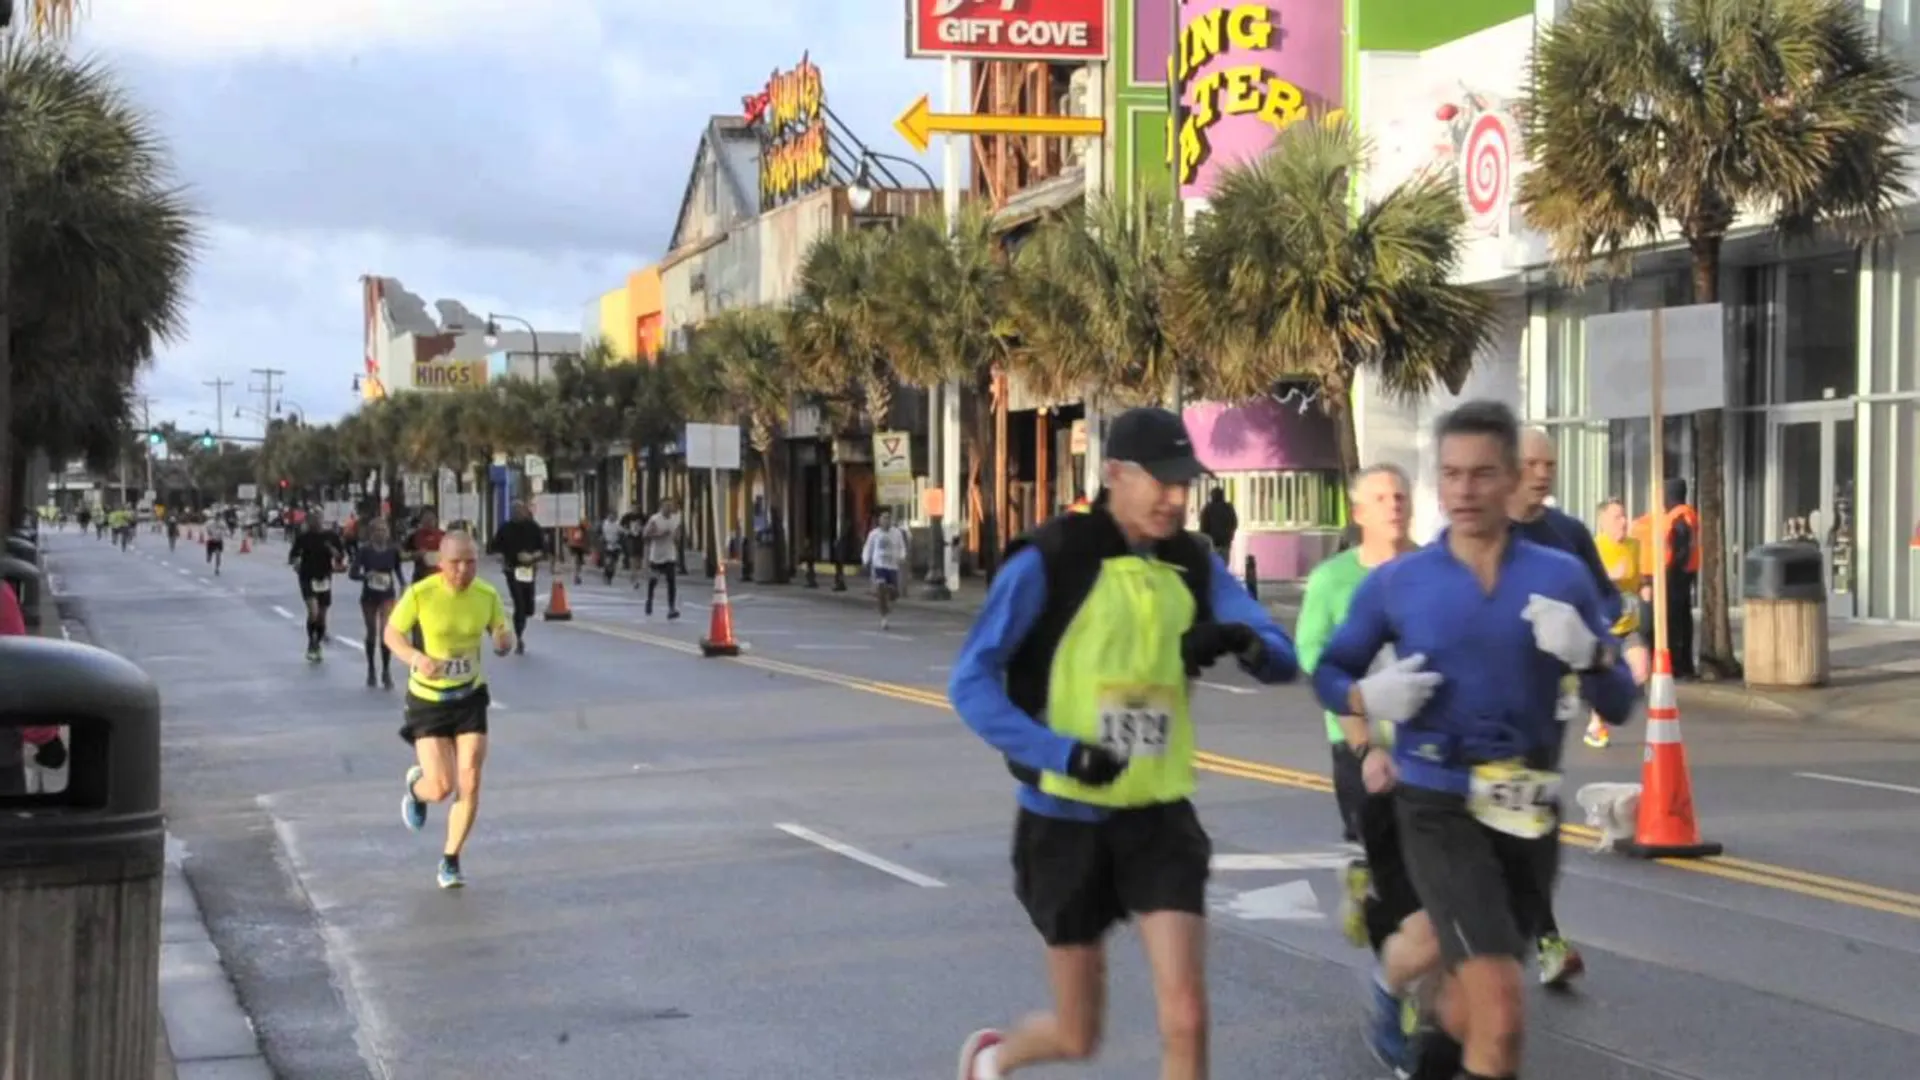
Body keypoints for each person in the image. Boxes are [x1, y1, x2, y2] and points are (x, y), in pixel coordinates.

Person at [949, 406, 1300, 1080]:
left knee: (1187, 1015)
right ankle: (993, 1058)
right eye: (1160, 481)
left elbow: (1281, 655)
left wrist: (1244, 641)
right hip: (1063, 821)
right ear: (1114, 474)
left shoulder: (1192, 562)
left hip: (1158, 816)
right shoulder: (1052, 559)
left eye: (1184, 483)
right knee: (1078, 1034)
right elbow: (971, 683)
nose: (1175, 498)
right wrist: (1061, 753)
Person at [1312, 400, 1637, 1080]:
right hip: (1438, 806)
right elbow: (1329, 671)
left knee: (1462, 1016)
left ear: (1511, 478)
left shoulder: (1559, 576)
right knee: (1502, 1010)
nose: (1464, 490)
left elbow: (1617, 703)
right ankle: (1399, 996)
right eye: (1451, 474)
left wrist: (1592, 654)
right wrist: (1366, 698)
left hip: (1527, 810)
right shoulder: (1402, 582)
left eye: (1482, 473)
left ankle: (1415, 1029)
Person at [1508, 427, 1626, 987]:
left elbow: (1606, 599)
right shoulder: (1484, 532)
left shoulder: (1568, 534)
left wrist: (1593, 636)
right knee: (1505, 827)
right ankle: (1534, 940)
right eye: (1531, 463)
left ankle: (1537, 938)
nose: (1542, 473)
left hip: (1549, 704)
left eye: (1549, 464)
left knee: (1529, 823)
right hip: (1489, 706)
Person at [383, 531, 513, 890]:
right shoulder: (421, 593)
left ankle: (451, 859)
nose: (463, 570)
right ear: (440, 563)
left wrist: (504, 641)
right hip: (428, 700)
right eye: (455, 563)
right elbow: (392, 634)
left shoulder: (486, 594)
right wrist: (416, 658)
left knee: (470, 777)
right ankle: (416, 790)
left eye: (471, 562)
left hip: (469, 695)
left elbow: (501, 631)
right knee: (441, 787)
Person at [1300, 465, 1417, 847]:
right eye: (1380, 499)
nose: (1393, 506)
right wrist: (1364, 741)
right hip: (1357, 739)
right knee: (1371, 857)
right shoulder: (1330, 579)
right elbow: (1315, 660)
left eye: (1399, 497)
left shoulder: (1437, 569)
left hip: (1426, 737)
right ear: (1359, 513)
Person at [1588, 498, 1652, 747]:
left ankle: (1609, 700)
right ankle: (1596, 724)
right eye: (1617, 517)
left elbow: (1638, 578)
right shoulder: (1595, 548)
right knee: (1607, 677)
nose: (1623, 522)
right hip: (1604, 628)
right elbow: (1585, 585)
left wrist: (1644, 587)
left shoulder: (1634, 545)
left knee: (1641, 671)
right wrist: (1609, 577)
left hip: (1628, 625)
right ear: (1603, 522)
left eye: (1624, 516)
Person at [349, 518, 406, 689]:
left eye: (383, 530)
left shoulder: (393, 550)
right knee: (372, 632)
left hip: (387, 595)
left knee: (385, 633)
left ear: (388, 533)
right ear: (371, 533)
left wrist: (403, 584)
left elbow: (398, 569)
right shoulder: (364, 551)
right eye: (377, 530)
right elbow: (352, 573)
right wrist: (364, 576)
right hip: (369, 596)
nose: (381, 533)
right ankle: (371, 669)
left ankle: (386, 671)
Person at [487, 501, 546, 654]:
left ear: (525, 512)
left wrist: (533, 556)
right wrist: (500, 556)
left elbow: (543, 549)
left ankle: (522, 622)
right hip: (512, 569)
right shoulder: (505, 528)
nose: (517, 513)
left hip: (528, 569)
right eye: (514, 511)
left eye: (519, 510)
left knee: (528, 607)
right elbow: (494, 547)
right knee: (519, 604)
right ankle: (519, 637)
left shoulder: (533, 527)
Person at [289, 515, 347, 663]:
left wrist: (336, 555)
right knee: (313, 611)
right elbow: (293, 556)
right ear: (308, 522)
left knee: (322, 616)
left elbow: (341, 556)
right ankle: (312, 642)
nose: (315, 523)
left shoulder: (331, 537)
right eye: (312, 520)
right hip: (307, 577)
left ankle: (317, 643)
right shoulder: (303, 538)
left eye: (318, 519)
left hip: (324, 578)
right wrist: (296, 562)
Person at [859, 508, 909, 630]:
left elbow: (902, 547)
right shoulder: (874, 534)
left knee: (893, 593)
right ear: (879, 520)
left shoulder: (896, 533)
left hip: (892, 566)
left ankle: (889, 603)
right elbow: (868, 548)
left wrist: (902, 557)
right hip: (879, 566)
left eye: (888, 518)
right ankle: (884, 618)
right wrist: (866, 560)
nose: (887, 520)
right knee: (881, 588)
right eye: (884, 518)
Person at [640, 498, 683, 618]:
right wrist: (659, 534)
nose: (668, 508)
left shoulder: (675, 519)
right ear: (661, 507)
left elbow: (678, 535)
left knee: (671, 581)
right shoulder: (655, 519)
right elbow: (645, 534)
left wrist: (676, 537)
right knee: (653, 581)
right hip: (656, 556)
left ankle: (671, 608)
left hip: (669, 555)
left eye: (670, 506)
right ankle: (649, 600)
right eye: (666, 506)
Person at [403, 509, 446, 582]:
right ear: (421, 520)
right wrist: (415, 554)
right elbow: (403, 555)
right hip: (421, 577)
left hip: (440, 576)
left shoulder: (443, 535)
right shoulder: (414, 536)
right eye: (426, 518)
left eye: (431, 518)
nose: (429, 521)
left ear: (436, 520)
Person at [1197, 487, 1237, 559]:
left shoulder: (1208, 508)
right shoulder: (1228, 508)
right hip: (1225, 543)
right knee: (1223, 562)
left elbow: (1203, 526)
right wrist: (1230, 535)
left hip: (1212, 543)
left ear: (1212, 496)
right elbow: (1234, 523)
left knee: (1212, 563)